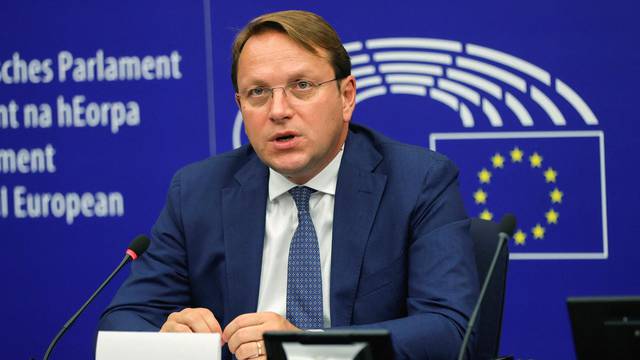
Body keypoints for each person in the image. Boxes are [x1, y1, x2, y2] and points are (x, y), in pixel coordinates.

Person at [99, 10, 479, 360]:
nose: (278, 110)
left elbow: (449, 329)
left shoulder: (417, 182)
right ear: (240, 105)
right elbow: (124, 319)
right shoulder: (197, 191)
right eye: (258, 92)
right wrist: (171, 336)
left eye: (301, 85)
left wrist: (305, 348)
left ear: (346, 97)